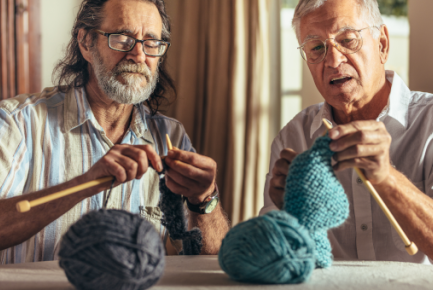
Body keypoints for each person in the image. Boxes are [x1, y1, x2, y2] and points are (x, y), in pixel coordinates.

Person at [0, 0, 230, 264]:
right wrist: (83, 184)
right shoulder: (18, 122)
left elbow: (211, 261)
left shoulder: (170, 135)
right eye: (123, 38)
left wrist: (204, 199)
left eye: (151, 42)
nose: (139, 55)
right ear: (86, 43)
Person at [261, 0, 433, 264]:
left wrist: (388, 179)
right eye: (316, 47)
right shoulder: (293, 138)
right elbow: (274, 262)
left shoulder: (429, 122)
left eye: (348, 39)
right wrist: (291, 216)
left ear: (382, 44)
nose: (333, 60)